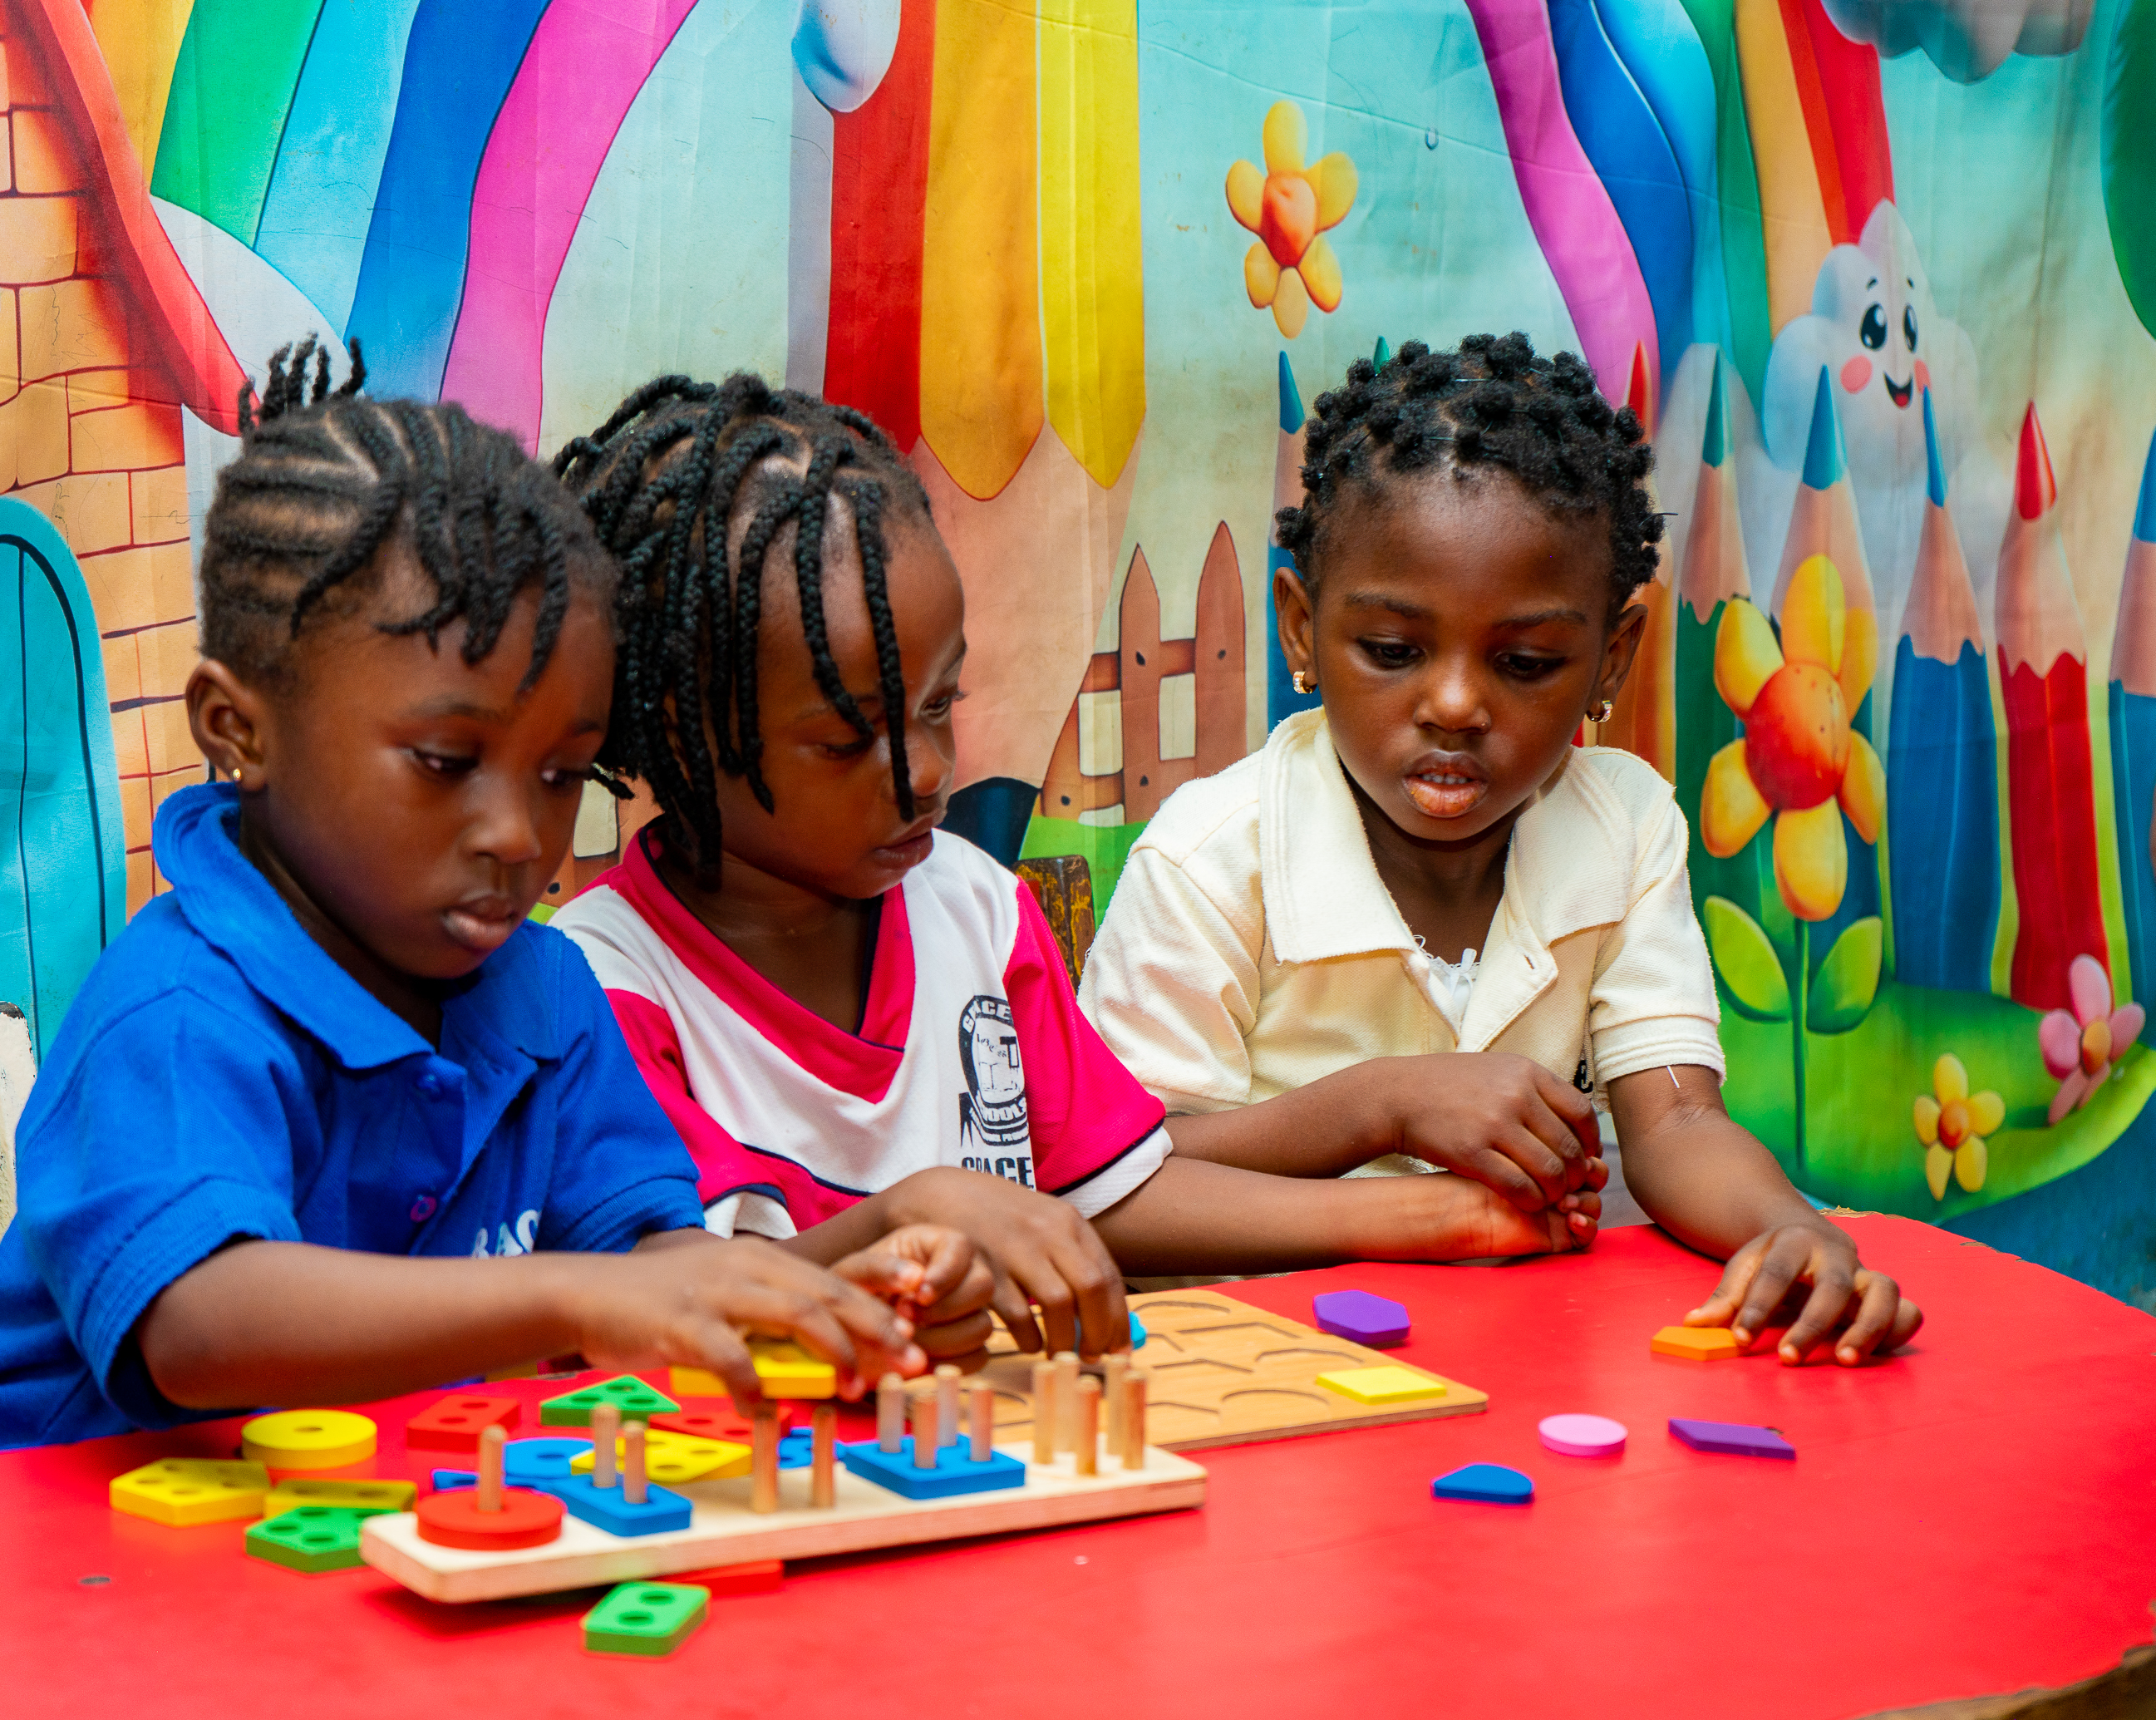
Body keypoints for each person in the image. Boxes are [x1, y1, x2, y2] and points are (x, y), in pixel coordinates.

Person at [0, 347, 967, 1464]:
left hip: (317, 1562)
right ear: (237, 730)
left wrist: (847, 1265)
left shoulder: (543, 996)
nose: (515, 834)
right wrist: (566, 1301)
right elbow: (202, 1328)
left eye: (559, 777)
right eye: (447, 761)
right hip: (19, 1558)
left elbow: (647, 1279)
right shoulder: (178, 1013)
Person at [547, 375, 1599, 1368]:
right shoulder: (602, 986)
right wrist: (909, 1215)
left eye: (936, 708)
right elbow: (663, 1300)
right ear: (682, 734)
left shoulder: (975, 907)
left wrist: (1431, 1214)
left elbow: (1113, 1190)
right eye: (841, 739)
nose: (921, 773)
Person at [1080, 333, 1922, 1366]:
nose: (1454, 702)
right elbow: (1116, 1187)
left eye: (1524, 662)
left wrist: (1793, 1231)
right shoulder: (1211, 859)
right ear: (1300, 630)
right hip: (1263, 1378)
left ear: (1610, 657)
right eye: (1392, 650)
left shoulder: (1624, 823)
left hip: (1525, 1363)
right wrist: (1384, 1111)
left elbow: (1676, 1127)